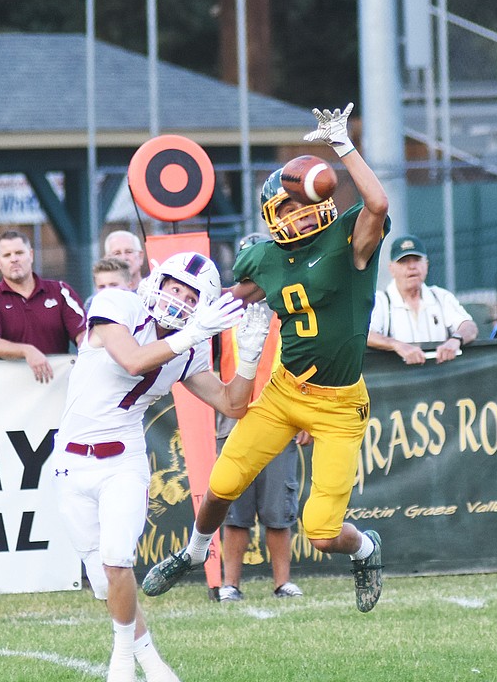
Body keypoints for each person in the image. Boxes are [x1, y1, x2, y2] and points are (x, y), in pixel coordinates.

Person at [143, 102, 390, 613]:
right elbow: (232, 297)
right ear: (272, 217)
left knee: (321, 532)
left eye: (303, 205)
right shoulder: (264, 257)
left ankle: (366, 548)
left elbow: (379, 203)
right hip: (283, 390)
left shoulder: (349, 240)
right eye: (289, 209)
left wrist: (342, 147)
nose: (299, 214)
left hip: (340, 403)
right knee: (221, 483)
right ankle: (192, 554)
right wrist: (184, 319)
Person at [52, 250, 269, 682]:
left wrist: (248, 359)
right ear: (155, 282)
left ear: (205, 303)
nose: (178, 298)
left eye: (191, 295)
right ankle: (155, 668)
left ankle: (121, 660)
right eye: (173, 287)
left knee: (117, 560)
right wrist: (194, 331)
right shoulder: (118, 304)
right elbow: (131, 360)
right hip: (70, 462)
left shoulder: (190, 348)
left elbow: (231, 404)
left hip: (123, 460)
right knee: (103, 582)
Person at [214, 232, 306, 603]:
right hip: (233, 418)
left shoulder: (292, 306)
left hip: (280, 416)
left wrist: (303, 417)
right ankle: (229, 584)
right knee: (233, 508)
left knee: (277, 510)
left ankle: (282, 582)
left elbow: (304, 365)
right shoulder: (221, 310)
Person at [0, 230, 86, 383]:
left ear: (31, 255)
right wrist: (26, 351)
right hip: (13, 391)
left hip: (59, 384)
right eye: (7, 255)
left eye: (19, 252)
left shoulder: (60, 291)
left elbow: (84, 335)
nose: (14, 259)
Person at [366, 235, 478, 365]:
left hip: (442, 379)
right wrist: (396, 345)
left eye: (416, 259)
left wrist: (456, 340)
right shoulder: (381, 301)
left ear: (426, 264)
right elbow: (366, 335)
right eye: (404, 261)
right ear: (392, 268)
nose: (412, 266)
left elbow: (470, 327)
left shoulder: (441, 297)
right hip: (397, 382)